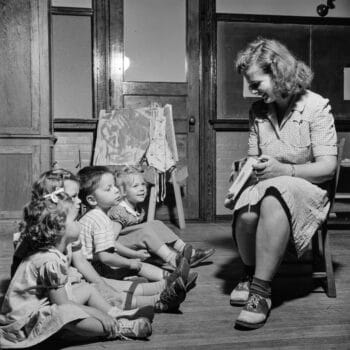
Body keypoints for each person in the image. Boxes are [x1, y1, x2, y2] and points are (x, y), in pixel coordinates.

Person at [226, 37, 337, 329]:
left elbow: (327, 167)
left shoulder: (316, 106)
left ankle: (261, 292)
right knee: (247, 209)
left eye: (256, 82)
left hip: (308, 186)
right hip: (272, 180)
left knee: (276, 195)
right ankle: (250, 273)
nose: (252, 90)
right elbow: (254, 159)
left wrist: (283, 170)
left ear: (278, 72)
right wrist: (241, 177)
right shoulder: (259, 111)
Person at [12, 169, 189, 313]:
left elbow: (80, 261)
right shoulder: (41, 235)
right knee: (105, 291)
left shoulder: (71, 228)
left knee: (108, 286)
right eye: (72, 197)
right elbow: (22, 277)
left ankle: (165, 288)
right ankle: (157, 299)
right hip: (51, 292)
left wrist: (100, 283)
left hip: (71, 277)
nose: (78, 201)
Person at [0, 189, 153, 348]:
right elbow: (62, 305)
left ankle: (114, 314)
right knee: (66, 313)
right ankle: (117, 328)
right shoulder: (48, 260)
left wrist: (100, 312)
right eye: (75, 220)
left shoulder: (58, 251)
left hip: (40, 309)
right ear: (59, 229)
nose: (79, 223)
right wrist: (96, 313)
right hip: (23, 327)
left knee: (86, 288)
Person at [77, 166, 189, 311]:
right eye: (108, 188)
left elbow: (107, 247)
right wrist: (130, 263)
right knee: (126, 283)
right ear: (92, 199)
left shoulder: (93, 216)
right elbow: (105, 256)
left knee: (132, 273)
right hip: (95, 270)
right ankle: (162, 291)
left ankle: (168, 280)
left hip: (93, 268)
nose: (116, 190)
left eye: (114, 186)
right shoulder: (100, 220)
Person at [109, 166, 215, 269]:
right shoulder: (119, 211)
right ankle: (172, 260)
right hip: (120, 250)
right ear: (122, 191)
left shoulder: (137, 209)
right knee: (145, 230)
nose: (142, 189)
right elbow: (110, 242)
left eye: (143, 184)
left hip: (132, 242)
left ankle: (188, 252)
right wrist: (134, 254)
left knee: (155, 224)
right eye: (135, 186)